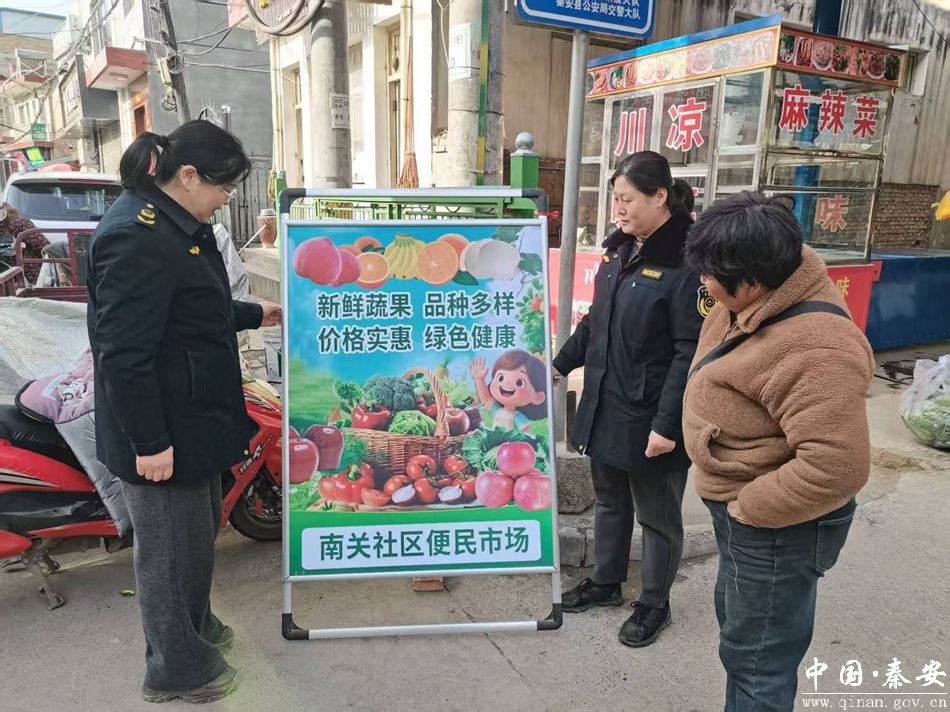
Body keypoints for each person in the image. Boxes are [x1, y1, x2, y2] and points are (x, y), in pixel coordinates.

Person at [86, 121, 281, 704]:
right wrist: (149, 442)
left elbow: (192, 310)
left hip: (193, 417)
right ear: (188, 175)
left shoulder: (177, 225)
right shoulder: (137, 235)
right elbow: (124, 355)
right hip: (162, 430)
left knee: (194, 541)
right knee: (169, 554)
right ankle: (176, 669)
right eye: (224, 187)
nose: (226, 199)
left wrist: (255, 313)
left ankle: (195, 629)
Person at [682, 192, 874, 710]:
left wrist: (750, 508)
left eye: (710, 275)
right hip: (744, 515)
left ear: (752, 281)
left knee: (758, 661)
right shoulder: (755, 295)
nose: (703, 283)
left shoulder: (816, 348)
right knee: (742, 637)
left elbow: (836, 466)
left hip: (775, 524)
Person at [552, 151, 705, 647]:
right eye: (615, 198)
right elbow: (595, 323)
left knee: (657, 516)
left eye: (627, 199)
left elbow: (689, 353)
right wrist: (559, 364)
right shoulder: (619, 252)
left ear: (660, 197)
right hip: (606, 402)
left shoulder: (686, 264)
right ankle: (606, 582)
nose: (617, 209)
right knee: (610, 500)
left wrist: (667, 425)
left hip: (653, 415)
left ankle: (654, 603)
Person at [470, 349, 547, 434]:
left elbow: (528, 435)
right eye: (501, 378)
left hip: (511, 442)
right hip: (496, 442)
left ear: (537, 397)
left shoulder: (517, 417)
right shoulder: (498, 411)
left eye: (520, 383)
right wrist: (479, 379)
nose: (507, 383)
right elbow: (486, 400)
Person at [0, 201, 48, 284]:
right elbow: (43, 246)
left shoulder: (17, 224)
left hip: (7, 277)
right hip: (27, 274)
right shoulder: (21, 223)